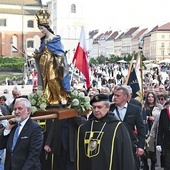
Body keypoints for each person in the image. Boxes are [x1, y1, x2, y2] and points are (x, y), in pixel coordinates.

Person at [76, 94, 136, 170]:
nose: (96, 110)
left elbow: (126, 155)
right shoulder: (84, 127)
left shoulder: (118, 127)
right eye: (94, 107)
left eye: (99, 107)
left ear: (108, 107)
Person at [34, 8, 70, 105]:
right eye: (40, 29)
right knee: (45, 80)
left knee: (53, 79)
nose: (41, 31)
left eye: (42, 28)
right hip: (43, 63)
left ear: (47, 27)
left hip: (53, 63)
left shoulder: (55, 39)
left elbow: (60, 52)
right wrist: (36, 54)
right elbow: (41, 51)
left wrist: (59, 58)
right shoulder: (43, 40)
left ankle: (58, 97)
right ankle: (49, 98)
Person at [0, 97, 44, 170]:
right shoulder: (13, 126)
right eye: (15, 109)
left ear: (28, 110)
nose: (16, 112)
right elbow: (1, 145)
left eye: (20, 109)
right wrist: (7, 129)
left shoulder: (35, 128)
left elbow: (33, 155)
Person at [109, 85, 145, 170]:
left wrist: (141, 146)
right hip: (114, 143)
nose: (115, 98)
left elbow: (141, 128)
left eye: (118, 96)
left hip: (130, 143)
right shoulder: (110, 109)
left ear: (125, 97)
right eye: (114, 95)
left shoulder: (135, 109)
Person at [143, 91, 162, 170]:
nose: (150, 98)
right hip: (145, 130)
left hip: (154, 131)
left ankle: (153, 166)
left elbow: (162, 118)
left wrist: (155, 119)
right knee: (144, 151)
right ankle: (145, 165)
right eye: (149, 97)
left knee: (152, 152)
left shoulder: (159, 107)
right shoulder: (143, 107)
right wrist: (146, 118)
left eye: (152, 97)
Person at [157, 100, 170, 170]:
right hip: (167, 142)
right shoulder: (164, 112)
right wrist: (159, 143)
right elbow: (160, 128)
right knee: (167, 165)